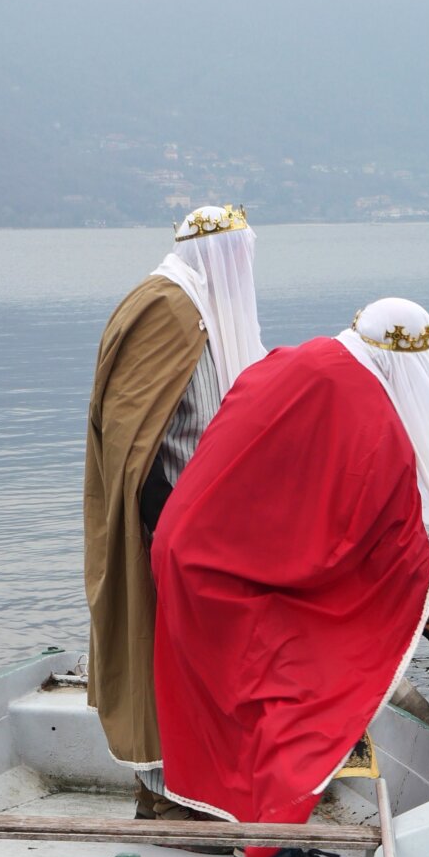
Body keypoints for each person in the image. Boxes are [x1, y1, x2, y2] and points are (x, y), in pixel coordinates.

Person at [150, 296, 429, 857]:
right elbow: (402, 549)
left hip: (191, 552)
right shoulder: (374, 423)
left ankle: (246, 827)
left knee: (251, 698)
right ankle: (275, 847)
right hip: (237, 575)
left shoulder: (294, 361)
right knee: (308, 687)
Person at [83, 204, 265, 817]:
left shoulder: (197, 310)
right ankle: (167, 798)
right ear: (216, 258)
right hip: (174, 530)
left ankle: (197, 791)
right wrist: (177, 532)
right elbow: (135, 443)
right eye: (237, 259)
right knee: (169, 662)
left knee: (205, 667)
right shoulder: (168, 309)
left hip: (211, 529)